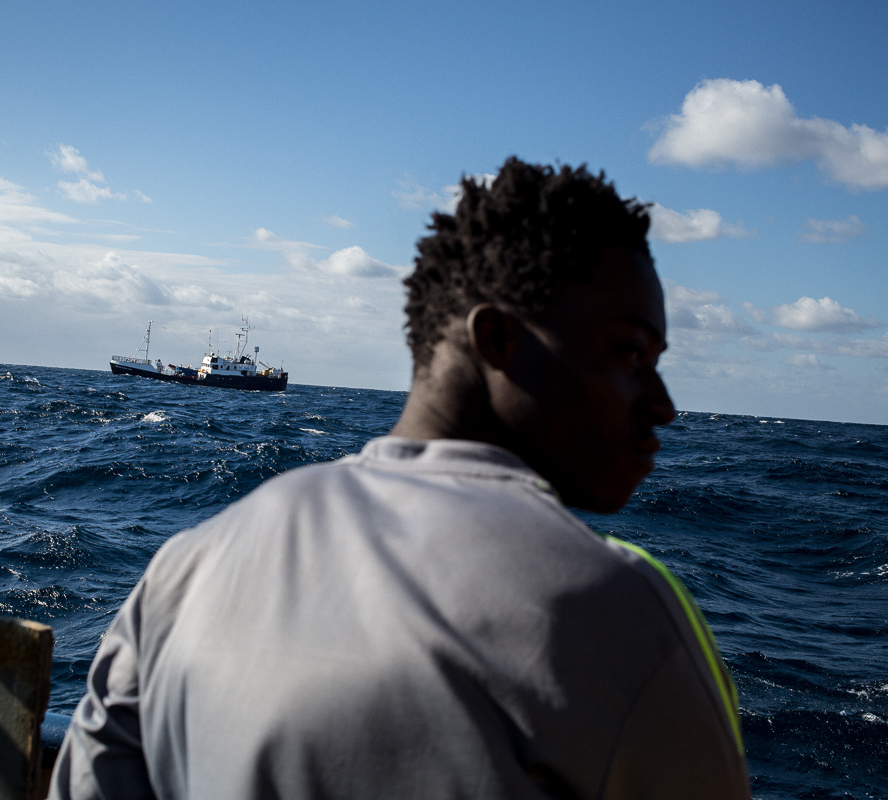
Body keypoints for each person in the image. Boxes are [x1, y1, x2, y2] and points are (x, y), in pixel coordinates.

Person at [49, 159, 750, 800]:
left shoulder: (184, 570)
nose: (663, 403)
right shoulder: (625, 619)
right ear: (498, 341)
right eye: (631, 352)